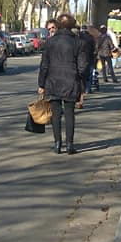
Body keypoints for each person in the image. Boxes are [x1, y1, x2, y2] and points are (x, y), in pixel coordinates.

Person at [37, 13, 88, 154]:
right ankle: (70, 144)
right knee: (69, 113)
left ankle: (57, 143)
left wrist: (41, 84)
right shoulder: (78, 42)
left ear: (58, 25)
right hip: (71, 81)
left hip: (53, 81)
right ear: (72, 25)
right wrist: (80, 79)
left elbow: (44, 65)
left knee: (55, 113)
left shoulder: (50, 42)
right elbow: (83, 66)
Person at [79, 23, 97, 94]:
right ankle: (88, 88)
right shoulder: (91, 37)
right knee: (90, 73)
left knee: (81, 73)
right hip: (90, 56)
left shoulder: (79, 37)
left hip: (81, 57)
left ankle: (82, 89)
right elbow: (93, 47)